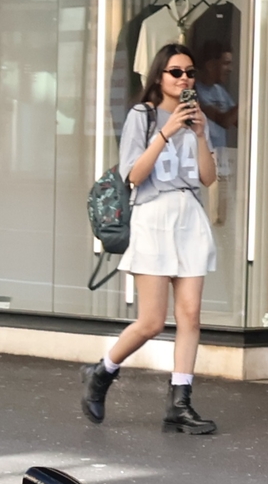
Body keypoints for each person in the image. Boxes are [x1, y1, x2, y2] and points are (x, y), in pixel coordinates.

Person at [81, 43, 221, 435]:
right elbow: (133, 175)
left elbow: (208, 178)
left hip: (189, 215)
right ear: (159, 76)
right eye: (176, 72)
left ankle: (181, 402)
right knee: (152, 321)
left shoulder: (198, 119)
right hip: (154, 217)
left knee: (190, 314)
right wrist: (166, 131)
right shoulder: (142, 117)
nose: (184, 79)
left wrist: (199, 134)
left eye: (190, 72)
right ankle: (102, 371)